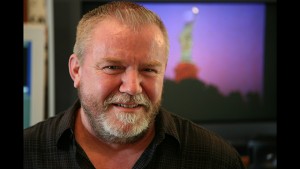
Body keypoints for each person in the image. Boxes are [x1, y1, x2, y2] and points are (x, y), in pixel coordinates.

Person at [24, 1, 246, 169]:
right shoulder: (29, 153)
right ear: (76, 70)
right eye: (112, 67)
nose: (132, 87)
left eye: (149, 69)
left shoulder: (216, 159)